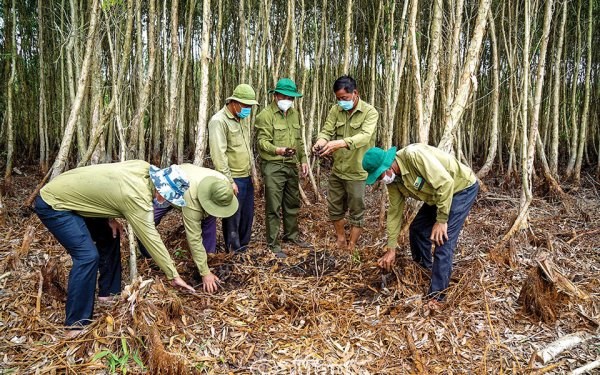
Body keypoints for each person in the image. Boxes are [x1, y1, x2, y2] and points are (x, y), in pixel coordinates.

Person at [33, 161, 195, 337]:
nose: (165, 202)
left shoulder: (143, 167)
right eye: (168, 197)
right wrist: (173, 274)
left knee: (111, 234)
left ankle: (108, 294)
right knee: (87, 256)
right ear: (161, 190)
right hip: (54, 204)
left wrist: (109, 218)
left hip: (70, 193)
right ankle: (75, 325)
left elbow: (106, 184)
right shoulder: (136, 196)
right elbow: (151, 238)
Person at [362, 144, 479, 309]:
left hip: (460, 188)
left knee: (442, 240)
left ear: (386, 166)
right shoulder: (394, 181)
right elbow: (395, 213)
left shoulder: (414, 156)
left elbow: (445, 183)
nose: (381, 180)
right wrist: (391, 248)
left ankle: (438, 296)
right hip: (437, 196)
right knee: (417, 229)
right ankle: (424, 270)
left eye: (379, 176)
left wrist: (441, 220)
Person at [139, 165, 238, 292]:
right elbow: (194, 238)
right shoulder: (192, 203)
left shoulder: (222, 182)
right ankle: (149, 256)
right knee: (147, 223)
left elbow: (227, 190)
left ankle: (209, 260)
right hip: (170, 187)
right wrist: (204, 273)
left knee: (209, 223)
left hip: (199, 191)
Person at [311, 75, 378, 252]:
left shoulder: (370, 112)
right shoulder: (335, 110)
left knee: (357, 211)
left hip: (358, 170)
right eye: (338, 99)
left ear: (355, 93)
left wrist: (340, 143)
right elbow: (327, 130)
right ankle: (341, 238)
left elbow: (365, 136)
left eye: (344, 98)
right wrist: (320, 142)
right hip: (338, 170)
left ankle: (352, 244)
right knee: (334, 207)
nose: (341, 102)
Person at [255, 78, 312, 258]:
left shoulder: (294, 114)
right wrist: (277, 150)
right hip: (273, 165)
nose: (289, 100)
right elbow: (261, 142)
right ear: (276, 95)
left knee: (292, 202)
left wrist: (303, 159)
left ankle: (291, 236)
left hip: (291, 164)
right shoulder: (265, 115)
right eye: (286, 96)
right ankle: (273, 243)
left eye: (292, 97)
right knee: (273, 205)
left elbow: (299, 140)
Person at [208, 84, 258, 253]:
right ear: (234, 102)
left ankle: (243, 248)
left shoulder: (241, 119)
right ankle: (233, 251)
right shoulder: (218, 121)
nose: (248, 110)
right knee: (232, 218)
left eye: (250, 106)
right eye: (246, 106)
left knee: (247, 216)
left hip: (246, 175)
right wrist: (228, 181)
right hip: (233, 178)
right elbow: (218, 155)